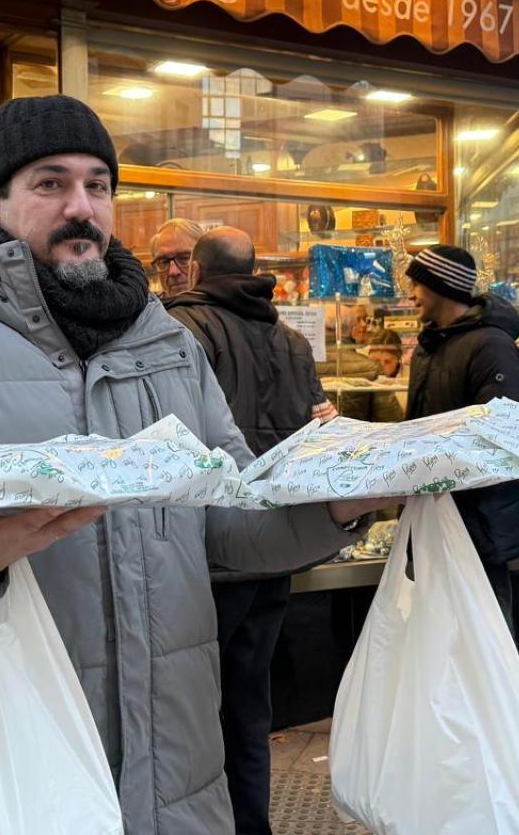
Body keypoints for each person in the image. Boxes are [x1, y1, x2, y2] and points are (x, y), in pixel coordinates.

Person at [0, 95, 389, 830]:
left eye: (97, 185)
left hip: (177, 781)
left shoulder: (168, 343)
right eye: (51, 183)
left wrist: (335, 503)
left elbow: (226, 513)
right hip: (4, 779)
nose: (81, 206)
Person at [164, 225, 326, 835]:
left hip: (207, 549)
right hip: (274, 545)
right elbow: (316, 428)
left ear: (197, 270)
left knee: (192, 709)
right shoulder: (292, 340)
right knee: (250, 704)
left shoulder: (183, 328)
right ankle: (252, 824)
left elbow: (171, 440)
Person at [403, 244, 519, 623]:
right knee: (435, 628)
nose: (411, 294)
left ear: (440, 287)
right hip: (431, 514)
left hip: (477, 519)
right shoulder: (428, 346)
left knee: (484, 632)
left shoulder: (491, 346)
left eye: (417, 285)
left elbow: (502, 433)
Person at [150, 217, 205, 298]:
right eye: (163, 262)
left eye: (184, 258)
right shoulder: (147, 305)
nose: (173, 272)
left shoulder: (223, 302)